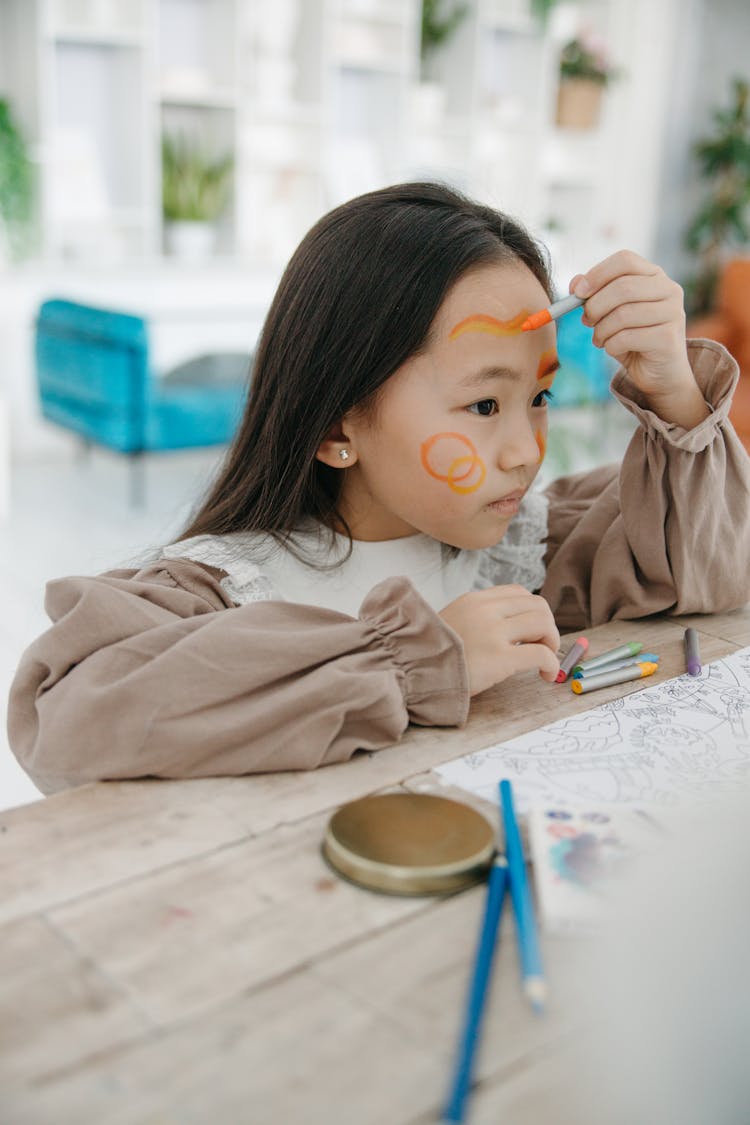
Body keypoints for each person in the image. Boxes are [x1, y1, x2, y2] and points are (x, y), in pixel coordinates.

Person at [8, 182, 750, 793]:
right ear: (337, 428)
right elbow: (65, 723)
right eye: (485, 405)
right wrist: (416, 660)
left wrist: (677, 396)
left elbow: (705, 571)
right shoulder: (229, 586)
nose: (525, 451)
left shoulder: (531, 548)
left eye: (540, 398)